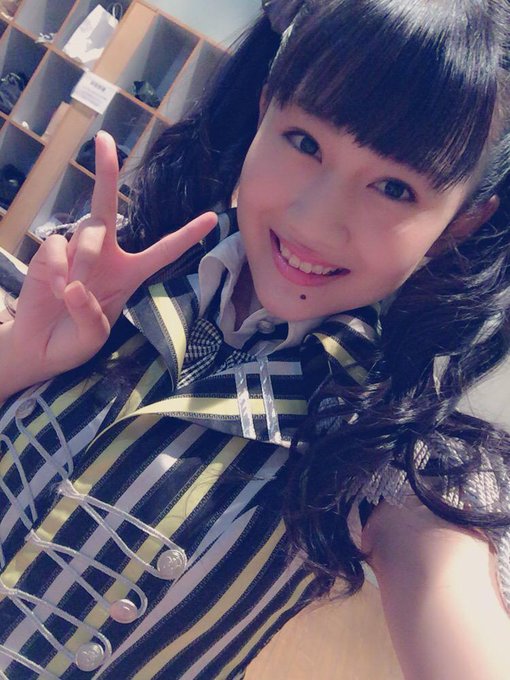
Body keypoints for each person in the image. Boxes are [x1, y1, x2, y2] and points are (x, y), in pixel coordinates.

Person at [0, 0, 509, 677]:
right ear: (265, 108)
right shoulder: (121, 274)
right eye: (305, 142)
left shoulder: (392, 452)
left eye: (394, 187)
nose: (316, 222)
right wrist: (18, 358)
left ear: (459, 224)